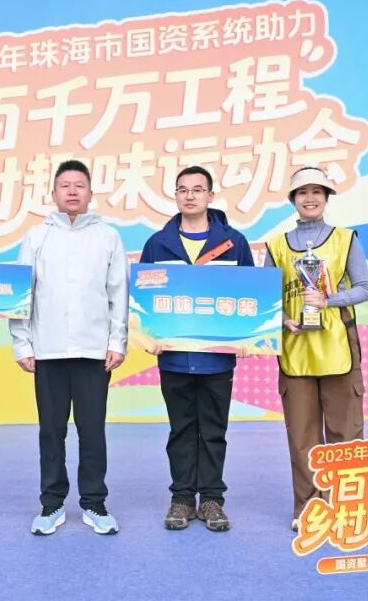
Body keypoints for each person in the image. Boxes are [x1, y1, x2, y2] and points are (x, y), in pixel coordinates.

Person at [9, 159, 129, 536]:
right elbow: (23, 293)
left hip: (94, 352)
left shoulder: (107, 236)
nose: (73, 191)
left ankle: (94, 502)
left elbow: (118, 293)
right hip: (48, 351)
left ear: (91, 193)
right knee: (51, 431)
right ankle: (52, 504)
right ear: (54, 193)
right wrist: (22, 343)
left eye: (80, 185)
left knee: (92, 431)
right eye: (65, 185)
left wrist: (117, 341)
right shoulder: (36, 237)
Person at [138, 165, 256, 532]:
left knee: (214, 430)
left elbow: (250, 295)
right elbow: (144, 298)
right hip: (173, 357)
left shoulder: (234, 242)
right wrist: (149, 334)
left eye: (197, 189)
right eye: (183, 190)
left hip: (217, 359)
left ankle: (212, 501)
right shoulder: (157, 244)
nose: (190, 196)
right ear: (175, 196)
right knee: (181, 430)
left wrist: (248, 337)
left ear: (210, 196)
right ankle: (182, 499)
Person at [263, 166, 368, 532]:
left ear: (326, 198)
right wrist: (283, 320)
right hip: (295, 351)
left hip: (339, 347)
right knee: (302, 436)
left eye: (316, 192)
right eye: (302, 192)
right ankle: (309, 509)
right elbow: (266, 299)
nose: (309, 198)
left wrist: (328, 300)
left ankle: (346, 508)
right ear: (292, 199)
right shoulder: (276, 246)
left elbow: (364, 288)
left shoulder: (346, 239)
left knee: (346, 433)